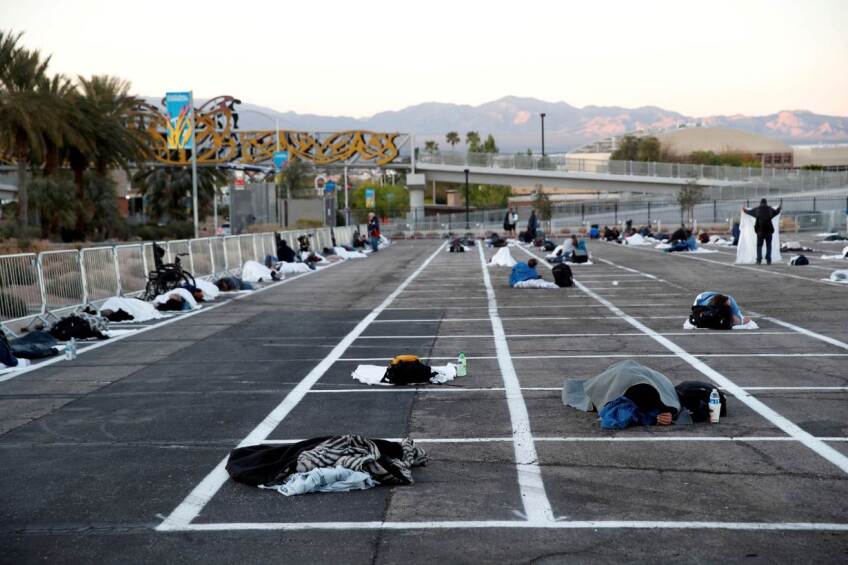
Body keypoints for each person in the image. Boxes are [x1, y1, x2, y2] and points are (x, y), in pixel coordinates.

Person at [743, 199, 782, 265]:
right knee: (769, 245)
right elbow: (776, 212)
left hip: (760, 232)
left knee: (759, 246)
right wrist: (780, 207)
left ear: (760, 203)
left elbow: (749, 212)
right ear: (766, 203)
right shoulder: (769, 209)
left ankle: (759, 260)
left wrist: (744, 209)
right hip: (769, 231)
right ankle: (768, 260)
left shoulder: (757, 209)